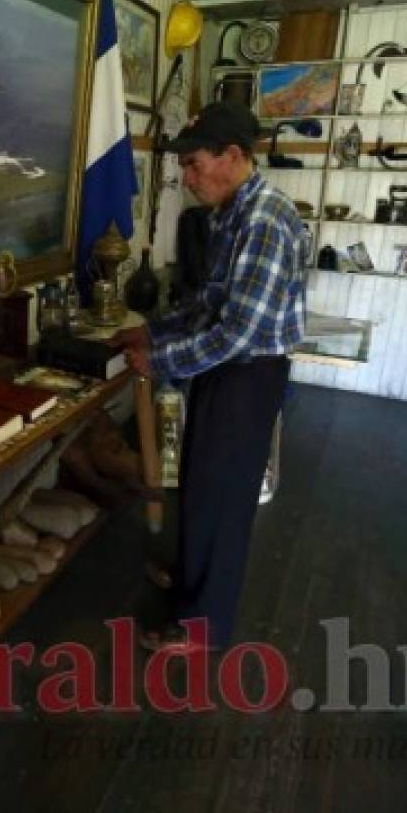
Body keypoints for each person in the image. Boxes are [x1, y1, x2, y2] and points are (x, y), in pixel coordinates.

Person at [111, 100, 306, 651]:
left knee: (224, 495)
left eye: (194, 163)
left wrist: (162, 360)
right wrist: (152, 332)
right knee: (199, 481)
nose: (186, 176)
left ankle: (205, 624)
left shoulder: (264, 220)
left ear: (234, 156)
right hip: (226, 367)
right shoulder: (233, 214)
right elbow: (210, 301)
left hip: (248, 373)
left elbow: (238, 333)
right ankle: (192, 575)